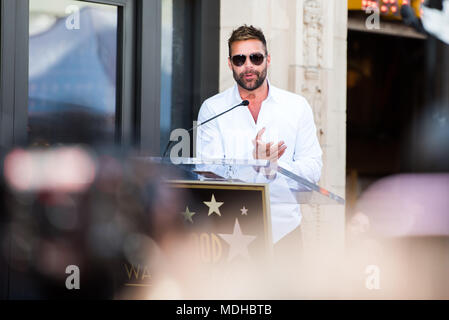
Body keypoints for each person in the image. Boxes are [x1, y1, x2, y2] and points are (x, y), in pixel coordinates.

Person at [196, 25, 323, 256]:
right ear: (229, 63)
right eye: (239, 59)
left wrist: (273, 168)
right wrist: (252, 164)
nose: (248, 66)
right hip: (229, 233)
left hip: (285, 235)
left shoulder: (296, 107)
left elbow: (313, 171)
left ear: (268, 59)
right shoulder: (213, 109)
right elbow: (208, 173)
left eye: (255, 58)